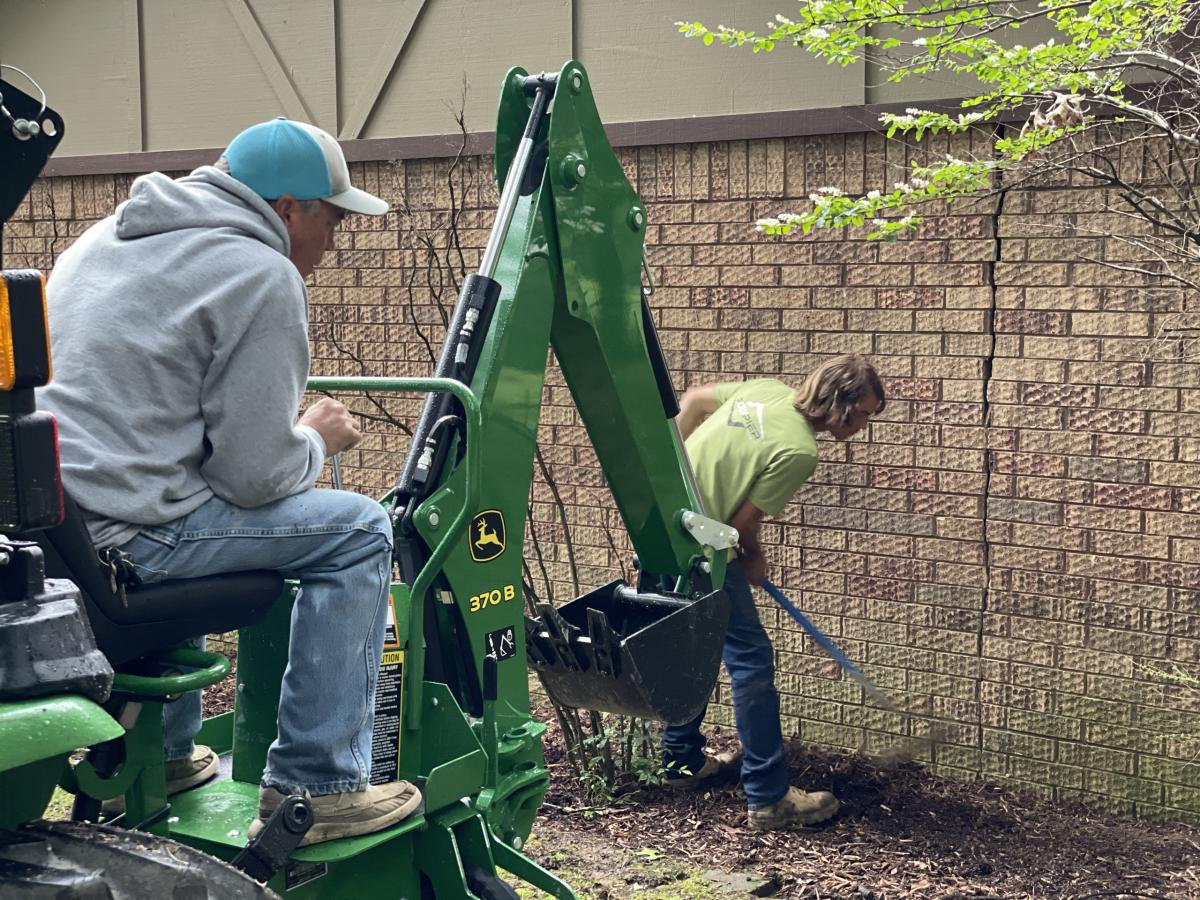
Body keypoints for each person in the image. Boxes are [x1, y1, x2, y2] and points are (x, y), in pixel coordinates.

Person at [38, 118, 421, 845]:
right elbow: (255, 477)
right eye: (334, 219)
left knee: (187, 487)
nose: (335, 241)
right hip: (128, 537)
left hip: (53, 532)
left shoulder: (104, 239)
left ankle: (165, 755)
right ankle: (318, 787)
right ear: (288, 209)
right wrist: (317, 437)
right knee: (361, 530)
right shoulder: (260, 274)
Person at [662, 354, 885, 830]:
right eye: (863, 414)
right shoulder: (799, 450)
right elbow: (742, 524)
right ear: (839, 402)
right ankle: (768, 797)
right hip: (704, 554)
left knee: (692, 649)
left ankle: (681, 762)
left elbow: (694, 400)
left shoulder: (765, 390)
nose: (864, 426)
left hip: (663, 533)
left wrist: (669, 474)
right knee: (752, 662)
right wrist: (755, 558)